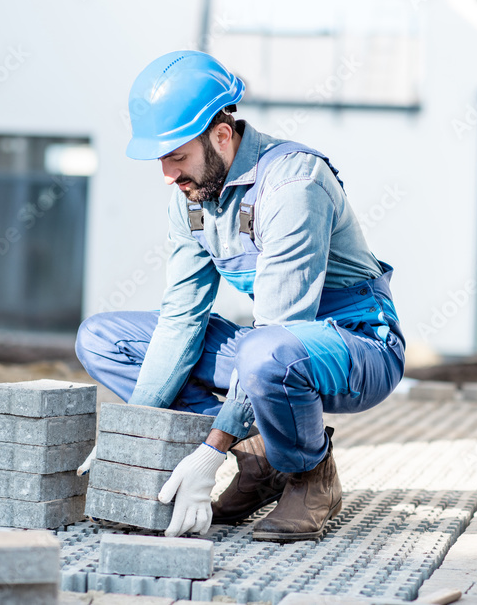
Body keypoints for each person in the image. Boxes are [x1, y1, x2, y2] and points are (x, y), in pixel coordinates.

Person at [75, 50, 405, 541]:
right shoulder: (191, 199)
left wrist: (209, 452)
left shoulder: (294, 185)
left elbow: (279, 330)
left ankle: (310, 475)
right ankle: (259, 460)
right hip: (272, 348)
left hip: (359, 346)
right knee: (104, 339)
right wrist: (135, 427)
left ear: (222, 137)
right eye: (162, 160)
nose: (168, 174)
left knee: (265, 352)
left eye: (177, 157)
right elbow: (180, 320)